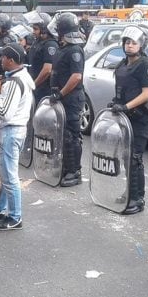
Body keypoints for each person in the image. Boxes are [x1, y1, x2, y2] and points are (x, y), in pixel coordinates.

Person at [0, 43, 35, 230]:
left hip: (10, 131)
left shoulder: (13, 82)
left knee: (10, 175)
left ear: (11, 60)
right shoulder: (20, 76)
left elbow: (5, 112)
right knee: (6, 172)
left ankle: (15, 216)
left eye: (3, 56)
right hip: (16, 130)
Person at [108, 27, 148, 215]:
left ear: (141, 45)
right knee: (126, 157)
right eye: (127, 42)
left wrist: (127, 106)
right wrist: (117, 103)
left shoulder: (144, 64)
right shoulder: (122, 64)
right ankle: (130, 192)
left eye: (134, 42)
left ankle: (137, 199)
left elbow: (146, 94)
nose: (130, 45)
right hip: (125, 117)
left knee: (135, 158)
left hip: (140, 117)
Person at [48, 12, 86, 187]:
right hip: (62, 97)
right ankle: (66, 167)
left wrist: (61, 93)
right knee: (63, 134)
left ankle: (74, 172)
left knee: (72, 135)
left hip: (71, 99)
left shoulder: (75, 50)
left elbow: (76, 77)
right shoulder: (64, 47)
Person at [27, 12, 57, 102]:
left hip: (43, 89)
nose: (33, 31)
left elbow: (47, 69)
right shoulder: (38, 42)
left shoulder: (50, 44)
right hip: (35, 86)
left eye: (35, 29)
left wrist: (34, 85)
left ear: (43, 29)